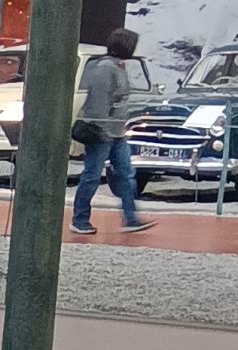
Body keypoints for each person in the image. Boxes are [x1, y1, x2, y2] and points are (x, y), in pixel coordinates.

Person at [72, 28, 154, 235]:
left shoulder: (116, 67)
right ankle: (80, 219)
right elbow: (98, 103)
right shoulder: (106, 69)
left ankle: (131, 218)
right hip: (103, 132)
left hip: (116, 133)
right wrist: (103, 129)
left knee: (125, 174)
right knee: (92, 176)